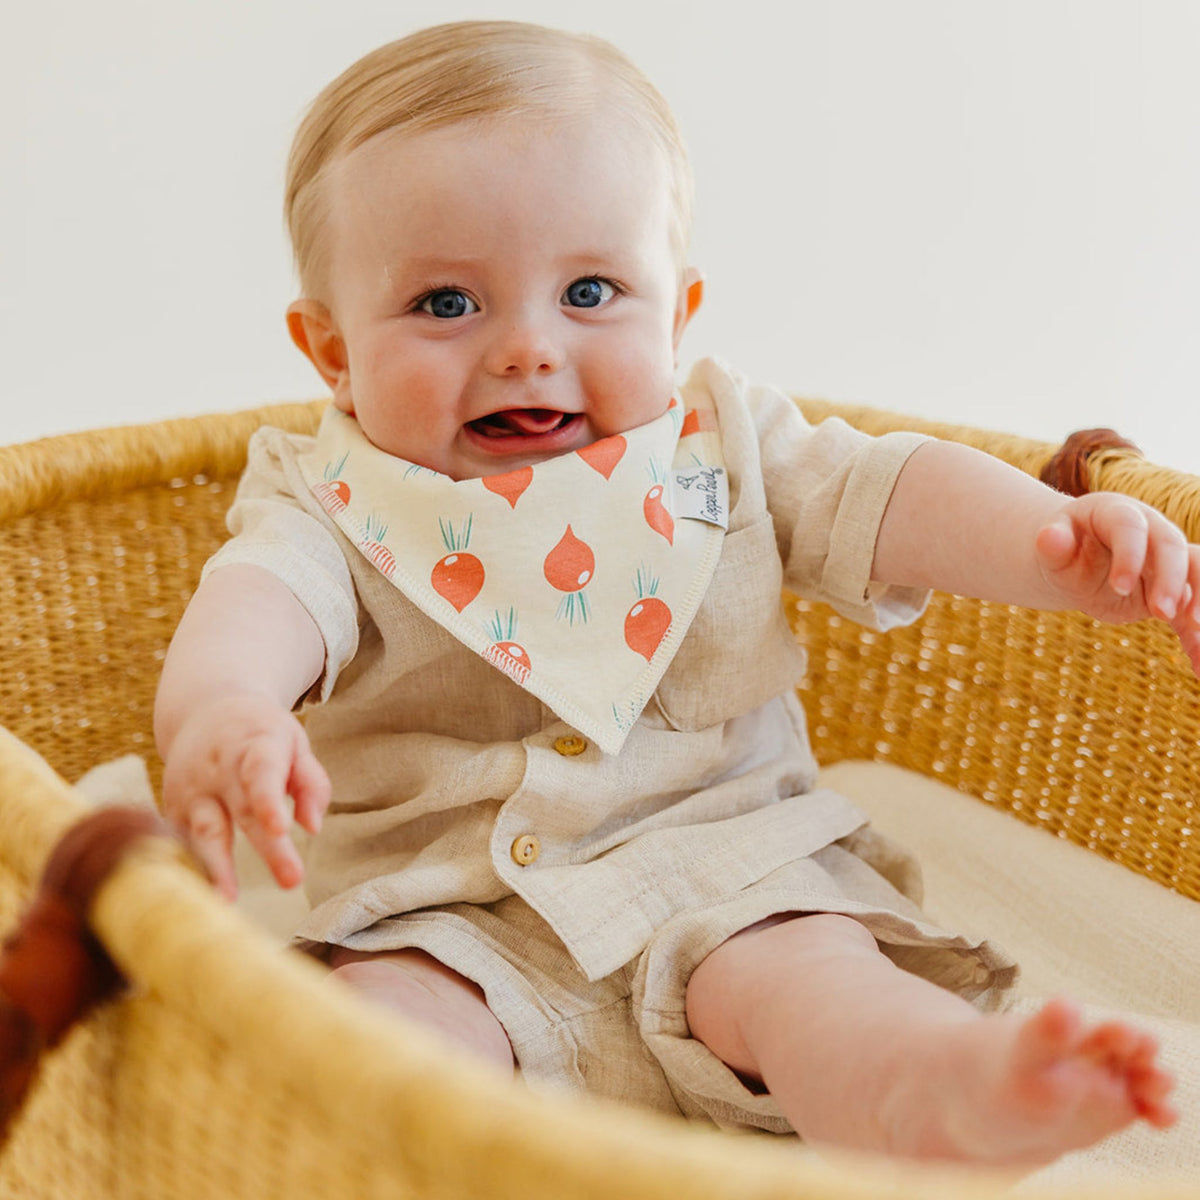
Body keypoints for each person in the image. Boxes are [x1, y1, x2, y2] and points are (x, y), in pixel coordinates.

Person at [154, 20, 1196, 1166]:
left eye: (591, 289)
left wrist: (1049, 542)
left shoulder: (722, 442)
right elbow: (257, 602)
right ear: (332, 351)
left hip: (733, 873)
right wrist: (227, 713)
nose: (527, 348)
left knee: (820, 989)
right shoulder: (327, 494)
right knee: (371, 1042)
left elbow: (886, 491)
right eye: (448, 305)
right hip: (443, 915)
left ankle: (925, 1089)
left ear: (679, 311)